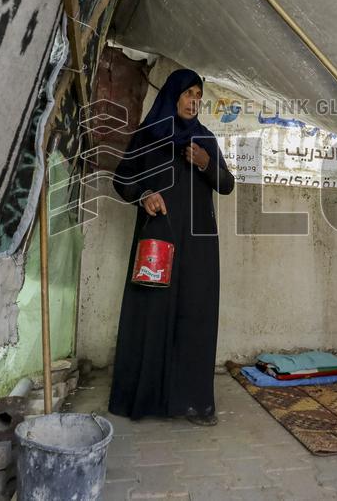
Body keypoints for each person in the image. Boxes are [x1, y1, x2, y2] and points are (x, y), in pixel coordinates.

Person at [108, 68, 235, 425]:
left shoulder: (205, 139)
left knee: (194, 316)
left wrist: (207, 163)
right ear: (172, 96)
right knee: (152, 313)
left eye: (199, 95)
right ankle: (145, 400)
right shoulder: (149, 136)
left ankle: (192, 402)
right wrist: (144, 195)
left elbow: (227, 185)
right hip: (158, 237)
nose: (194, 101)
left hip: (198, 246)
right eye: (188, 93)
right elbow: (123, 180)